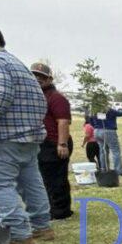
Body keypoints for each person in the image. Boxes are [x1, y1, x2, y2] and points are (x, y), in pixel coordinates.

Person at [0, 24, 53, 244]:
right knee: (31, 183)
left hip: (2, 137)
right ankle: (41, 226)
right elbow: (40, 100)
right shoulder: (17, 64)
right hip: (28, 136)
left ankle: (18, 234)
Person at [30, 63, 73, 220]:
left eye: (41, 76)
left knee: (56, 178)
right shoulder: (37, 96)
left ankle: (60, 211)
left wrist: (62, 144)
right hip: (43, 142)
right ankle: (51, 208)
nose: (37, 78)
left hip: (54, 142)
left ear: (49, 79)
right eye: (34, 75)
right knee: (45, 178)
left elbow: (63, 121)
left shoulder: (56, 98)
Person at [96, 106, 122, 175]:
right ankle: (118, 171)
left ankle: (104, 169)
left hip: (97, 131)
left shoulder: (94, 109)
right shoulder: (108, 110)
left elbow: (90, 120)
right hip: (109, 131)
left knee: (103, 151)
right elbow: (120, 113)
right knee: (115, 151)